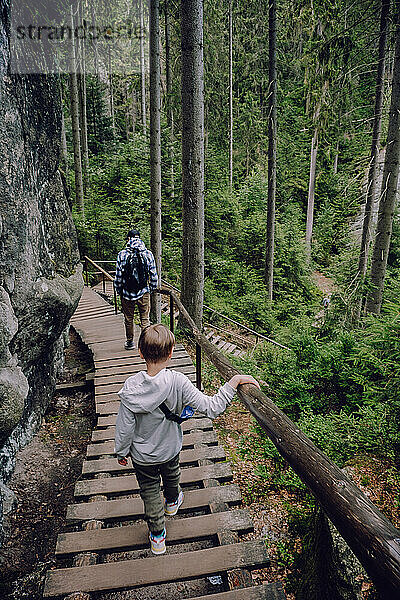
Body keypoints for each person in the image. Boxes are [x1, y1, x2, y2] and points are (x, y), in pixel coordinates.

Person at [114, 324, 260, 555]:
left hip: (142, 456)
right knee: (172, 475)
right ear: (171, 353)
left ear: (140, 352)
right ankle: (172, 502)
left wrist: (121, 452)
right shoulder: (178, 382)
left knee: (150, 490)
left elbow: (124, 427)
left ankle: (158, 536)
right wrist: (233, 381)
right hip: (170, 449)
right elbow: (212, 408)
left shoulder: (131, 389)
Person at [114, 229, 158, 350]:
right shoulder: (148, 254)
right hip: (143, 291)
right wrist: (151, 288)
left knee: (129, 318)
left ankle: (130, 342)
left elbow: (118, 277)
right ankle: (145, 344)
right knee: (145, 318)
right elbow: (153, 275)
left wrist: (119, 290)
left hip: (127, 293)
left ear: (128, 239)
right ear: (139, 238)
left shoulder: (122, 254)